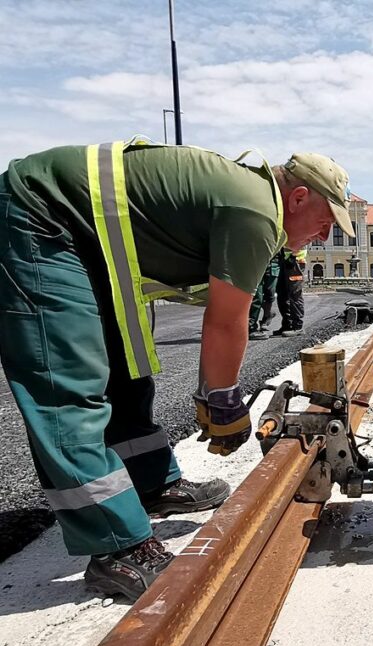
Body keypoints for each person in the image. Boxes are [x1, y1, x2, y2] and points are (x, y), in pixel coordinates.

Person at [0, 140, 353, 599]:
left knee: (122, 363)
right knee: (68, 382)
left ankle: (149, 482)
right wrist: (223, 400)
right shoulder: (257, 212)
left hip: (85, 238)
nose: (325, 237)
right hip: (41, 217)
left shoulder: (250, 200)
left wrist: (215, 394)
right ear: (299, 197)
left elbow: (222, 320)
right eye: (326, 222)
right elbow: (227, 321)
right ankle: (116, 546)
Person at [274, 247, 307, 337]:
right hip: (284, 259)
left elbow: (302, 238)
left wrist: (293, 254)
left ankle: (298, 327)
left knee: (295, 294)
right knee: (282, 294)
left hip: (295, 261)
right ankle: (288, 325)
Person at [249, 252, 281, 340]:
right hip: (257, 262)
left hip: (273, 261)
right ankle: (251, 327)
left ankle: (267, 316)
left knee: (270, 294)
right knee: (257, 297)